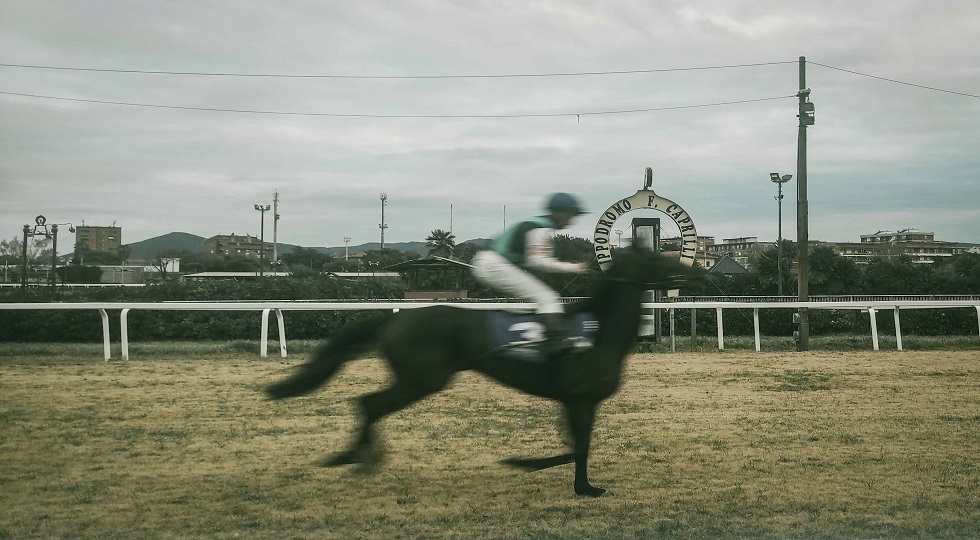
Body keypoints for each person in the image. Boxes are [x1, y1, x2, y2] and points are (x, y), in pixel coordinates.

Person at [472, 192, 589, 352]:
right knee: (548, 298)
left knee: (539, 298)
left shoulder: (537, 225)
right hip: (493, 264)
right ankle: (554, 347)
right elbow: (538, 261)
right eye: (570, 215)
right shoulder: (540, 229)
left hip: (491, 262)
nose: (571, 221)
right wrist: (573, 267)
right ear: (558, 213)